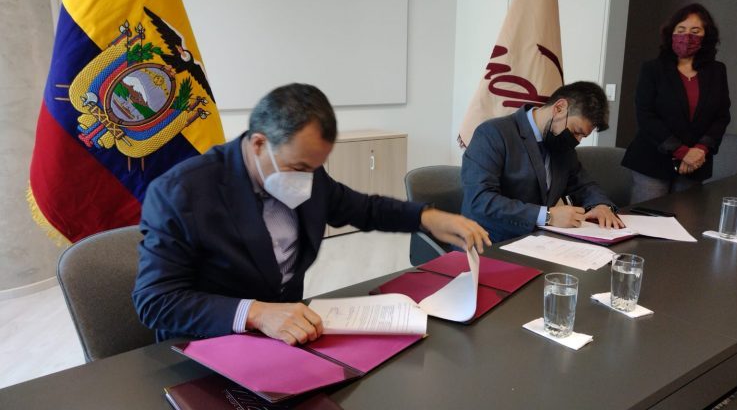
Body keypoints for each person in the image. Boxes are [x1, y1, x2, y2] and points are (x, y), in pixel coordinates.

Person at [133, 83, 490, 345]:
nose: (308, 179)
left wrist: (428, 218)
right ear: (259, 144)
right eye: (299, 167)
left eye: (316, 167)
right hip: (212, 345)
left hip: (290, 337)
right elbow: (155, 301)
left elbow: (364, 208)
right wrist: (255, 313)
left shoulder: (306, 172)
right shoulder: (180, 193)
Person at [461, 81, 624, 243]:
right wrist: (547, 216)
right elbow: (480, 200)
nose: (577, 141)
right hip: (489, 243)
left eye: (583, 136)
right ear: (559, 108)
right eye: (576, 132)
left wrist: (601, 205)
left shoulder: (561, 144)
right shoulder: (493, 133)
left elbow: (583, 185)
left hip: (537, 243)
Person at [622, 3, 731, 203]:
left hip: (696, 163)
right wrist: (681, 152)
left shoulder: (717, 71)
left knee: (686, 218)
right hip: (652, 160)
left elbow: (722, 116)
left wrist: (700, 150)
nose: (687, 36)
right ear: (671, 33)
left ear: (706, 35)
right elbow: (646, 116)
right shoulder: (653, 69)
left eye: (695, 31)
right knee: (648, 218)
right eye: (681, 30)